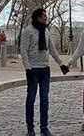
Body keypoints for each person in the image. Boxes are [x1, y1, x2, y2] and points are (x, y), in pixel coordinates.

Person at [20, 8, 69, 136]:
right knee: (30, 99)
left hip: (45, 70)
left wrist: (61, 63)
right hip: (33, 69)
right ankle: (30, 128)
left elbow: (51, 49)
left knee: (44, 99)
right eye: (44, 16)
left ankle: (44, 127)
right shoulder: (28, 31)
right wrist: (27, 68)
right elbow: (23, 51)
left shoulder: (46, 31)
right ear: (37, 17)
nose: (46, 18)